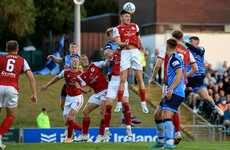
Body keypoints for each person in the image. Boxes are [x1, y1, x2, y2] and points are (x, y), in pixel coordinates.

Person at [149, 29, 198, 145]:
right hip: (177, 84)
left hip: (174, 88)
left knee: (166, 115)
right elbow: (194, 69)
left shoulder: (172, 55)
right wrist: (179, 78)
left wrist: (154, 78)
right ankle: (167, 138)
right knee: (160, 114)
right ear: (182, 39)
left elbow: (160, 66)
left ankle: (170, 141)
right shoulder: (186, 52)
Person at [0, 40, 37, 149]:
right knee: (10, 116)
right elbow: (31, 77)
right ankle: (0, 136)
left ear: (6, 50)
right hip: (11, 88)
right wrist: (34, 94)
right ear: (18, 50)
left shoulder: (1, 58)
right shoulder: (22, 60)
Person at [149, 38, 185, 149]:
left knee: (166, 116)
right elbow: (177, 74)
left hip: (175, 93)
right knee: (157, 115)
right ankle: (160, 141)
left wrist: (171, 89)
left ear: (167, 46)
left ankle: (169, 143)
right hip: (173, 90)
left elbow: (179, 74)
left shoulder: (174, 58)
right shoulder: (174, 58)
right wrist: (168, 81)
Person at [104, 27, 142, 126]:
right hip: (114, 76)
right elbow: (107, 54)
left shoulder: (121, 43)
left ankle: (127, 117)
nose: (115, 36)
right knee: (110, 103)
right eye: (112, 34)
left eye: (115, 33)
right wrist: (115, 52)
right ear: (108, 37)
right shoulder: (110, 45)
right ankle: (107, 126)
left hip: (123, 75)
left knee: (125, 101)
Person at [113, 10, 148, 114]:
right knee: (123, 79)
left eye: (129, 16)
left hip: (136, 52)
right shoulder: (117, 29)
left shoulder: (135, 26)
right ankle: (119, 103)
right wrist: (124, 43)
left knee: (139, 78)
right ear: (121, 18)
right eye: (126, 16)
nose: (128, 18)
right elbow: (118, 42)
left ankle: (143, 102)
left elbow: (139, 40)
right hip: (125, 53)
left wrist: (143, 49)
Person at [41, 57, 83, 143]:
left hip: (77, 97)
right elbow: (57, 78)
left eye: (77, 61)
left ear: (79, 63)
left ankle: (69, 139)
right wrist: (47, 85)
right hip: (69, 98)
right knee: (67, 122)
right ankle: (84, 130)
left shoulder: (81, 73)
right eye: (73, 61)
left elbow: (88, 82)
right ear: (70, 63)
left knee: (69, 117)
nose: (75, 62)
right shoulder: (65, 72)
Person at [182, 36, 224, 116]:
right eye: (189, 41)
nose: (189, 43)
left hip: (197, 77)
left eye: (191, 41)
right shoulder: (186, 51)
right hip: (187, 76)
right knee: (174, 87)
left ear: (196, 42)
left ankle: (214, 106)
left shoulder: (201, 49)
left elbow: (196, 50)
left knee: (206, 97)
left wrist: (185, 42)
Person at [47, 42, 80, 137]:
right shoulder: (66, 57)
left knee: (70, 109)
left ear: (77, 49)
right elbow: (59, 61)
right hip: (66, 84)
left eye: (75, 47)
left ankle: (69, 128)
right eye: (72, 47)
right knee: (62, 105)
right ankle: (69, 127)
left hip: (73, 86)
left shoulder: (78, 59)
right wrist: (53, 57)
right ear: (69, 49)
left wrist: (69, 68)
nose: (73, 49)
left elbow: (80, 69)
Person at [74, 54, 108, 143]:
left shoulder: (95, 65)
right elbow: (87, 90)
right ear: (80, 63)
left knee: (102, 112)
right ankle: (85, 135)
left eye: (86, 59)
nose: (86, 60)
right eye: (83, 59)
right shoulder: (81, 76)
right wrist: (79, 88)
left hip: (106, 90)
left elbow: (106, 63)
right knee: (85, 111)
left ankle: (101, 135)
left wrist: (109, 57)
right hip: (97, 93)